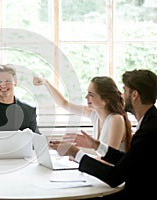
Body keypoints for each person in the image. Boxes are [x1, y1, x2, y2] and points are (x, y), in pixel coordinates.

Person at [49, 69, 157, 199]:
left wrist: (75, 153)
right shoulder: (149, 121)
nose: (121, 95)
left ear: (134, 95)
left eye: (125, 91)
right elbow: (127, 160)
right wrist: (97, 146)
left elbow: (115, 177)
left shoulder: (149, 131)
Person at [33, 76, 132, 153]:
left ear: (104, 101)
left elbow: (109, 158)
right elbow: (64, 104)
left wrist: (76, 154)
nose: (86, 97)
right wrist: (46, 82)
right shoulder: (94, 114)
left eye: (91, 95)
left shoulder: (116, 119)